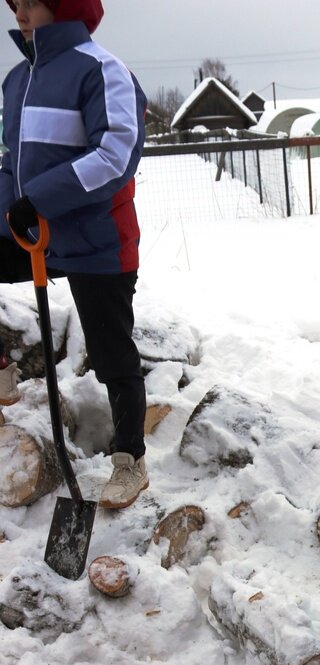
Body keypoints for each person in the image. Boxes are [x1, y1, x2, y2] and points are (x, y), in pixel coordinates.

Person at [0, 0, 149, 509]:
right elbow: (11, 161)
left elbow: (116, 154)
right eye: (13, 2)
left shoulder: (102, 69)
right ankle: (3, 371)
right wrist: (11, 205)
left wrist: (38, 199)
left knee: (112, 353)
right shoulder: (18, 79)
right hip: (32, 230)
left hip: (96, 238)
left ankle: (130, 460)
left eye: (30, 1)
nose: (19, 12)